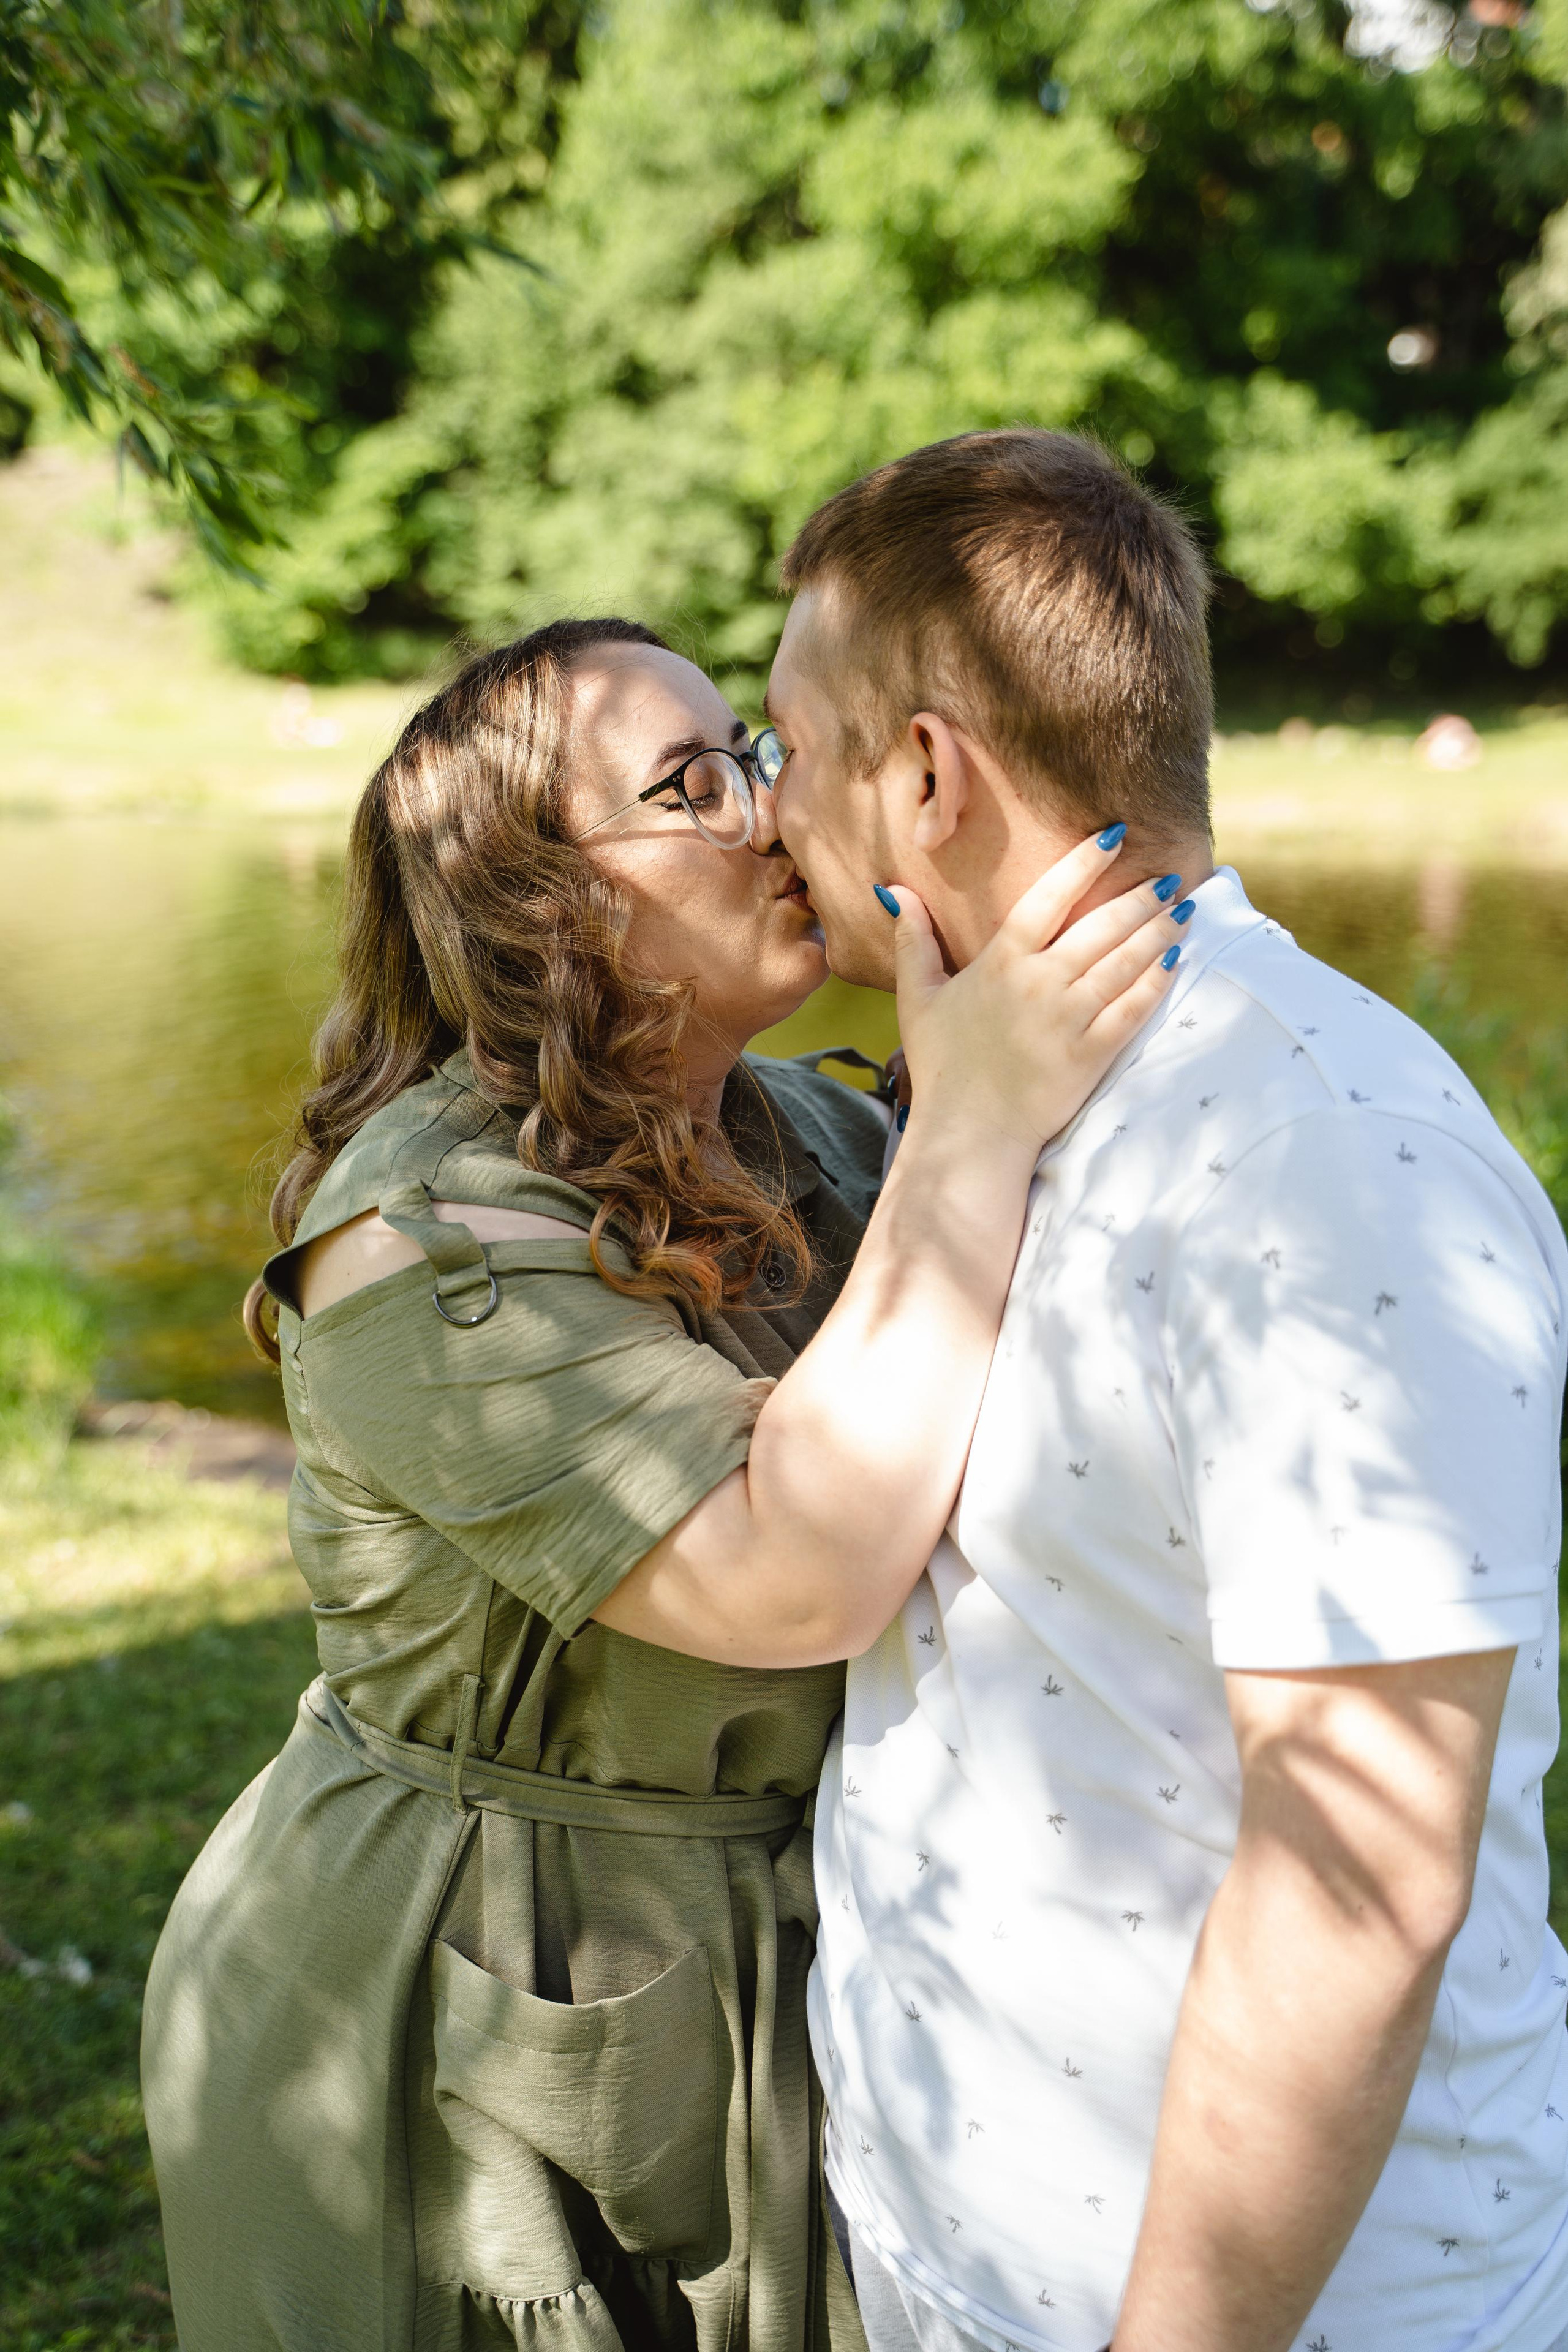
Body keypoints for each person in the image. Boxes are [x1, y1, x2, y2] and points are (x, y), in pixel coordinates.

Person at [140, 617, 1186, 2352]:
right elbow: (792, 1579)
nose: (771, 815)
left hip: (777, 1968)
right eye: (687, 787)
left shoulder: (826, 1139)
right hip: (452, 2003)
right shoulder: (417, 1248)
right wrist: (981, 1129)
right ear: (537, 903)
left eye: (751, 756)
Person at [759, 429, 1568, 2352]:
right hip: (971, 2259)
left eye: (790, 749)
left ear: (930, 776)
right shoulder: (998, 1099)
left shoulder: (1320, 1158)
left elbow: (1356, 1893)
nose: (764, 810)